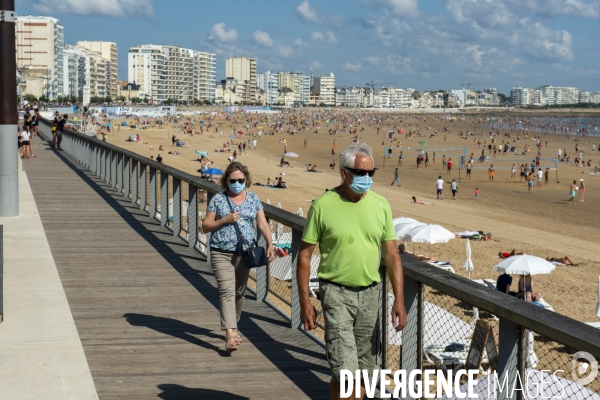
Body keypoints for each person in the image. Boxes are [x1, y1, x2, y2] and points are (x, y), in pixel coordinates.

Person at [297, 143, 407, 399]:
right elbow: (304, 256)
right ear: (344, 173)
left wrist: (398, 300)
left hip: (371, 294)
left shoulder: (381, 205)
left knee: (364, 371)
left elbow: (392, 255)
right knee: (345, 368)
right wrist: (304, 301)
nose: (366, 178)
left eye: (370, 173)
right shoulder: (322, 205)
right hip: (336, 294)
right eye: (360, 172)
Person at [202, 162, 275, 352]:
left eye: (241, 180)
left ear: (246, 180)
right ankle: (230, 332)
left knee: (239, 293)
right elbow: (206, 226)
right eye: (233, 180)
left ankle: (234, 324)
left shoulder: (252, 198)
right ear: (226, 180)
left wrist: (270, 244)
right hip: (220, 251)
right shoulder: (218, 199)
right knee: (226, 291)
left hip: (245, 253)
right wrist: (225, 220)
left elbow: (263, 224)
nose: (237, 183)